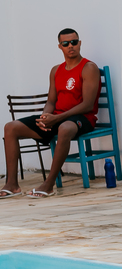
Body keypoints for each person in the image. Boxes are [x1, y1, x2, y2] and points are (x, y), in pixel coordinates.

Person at [1, 28, 100, 198]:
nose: (71, 46)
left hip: (82, 118)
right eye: (66, 43)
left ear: (80, 43)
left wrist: (57, 118)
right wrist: (44, 117)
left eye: (74, 42)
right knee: (10, 127)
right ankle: (12, 184)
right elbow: (51, 102)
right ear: (60, 46)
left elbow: (87, 105)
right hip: (57, 117)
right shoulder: (56, 70)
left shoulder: (89, 67)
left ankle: (48, 184)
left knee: (65, 128)